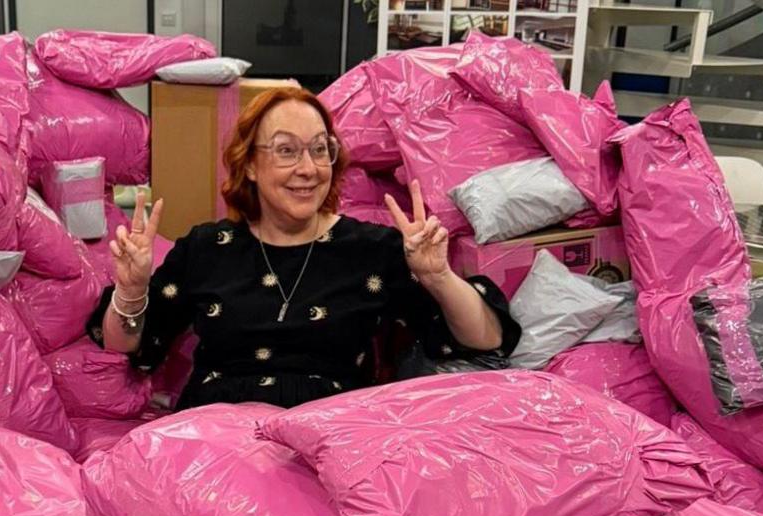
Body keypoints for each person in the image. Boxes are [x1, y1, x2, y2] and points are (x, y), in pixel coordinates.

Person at [87, 87, 520, 409]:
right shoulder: (207, 247)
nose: (308, 169)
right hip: (215, 441)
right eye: (286, 151)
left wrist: (439, 277)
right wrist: (131, 289)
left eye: (320, 150)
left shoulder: (373, 250)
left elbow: (485, 340)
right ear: (250, 165)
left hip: (326, 435)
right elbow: (127, 346)